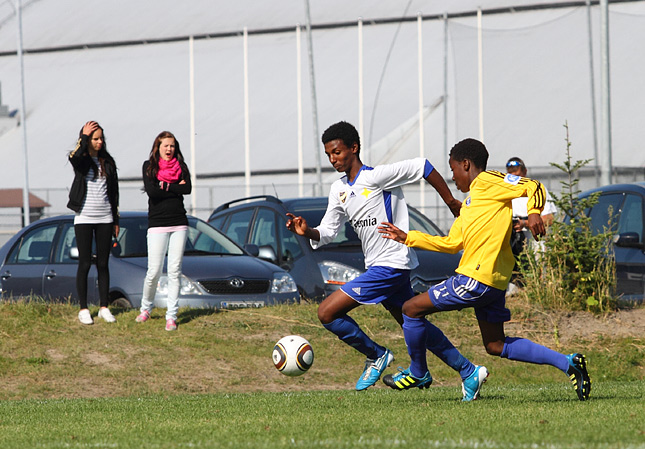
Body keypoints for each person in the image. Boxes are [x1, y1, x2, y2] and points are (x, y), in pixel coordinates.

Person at [286, 121, 489, 400]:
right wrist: (306, 230)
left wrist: (451, 201)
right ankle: (468, 371)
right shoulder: (339, 190)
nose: (333, 159)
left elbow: (424, 166)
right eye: (329, 155)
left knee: (327, 312)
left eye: (337, 152)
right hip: (379, 266)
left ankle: (377, 355)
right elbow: (328, 232)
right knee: (414, 321)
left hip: (392, 264)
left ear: (353, 148)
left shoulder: (377, 176)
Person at [378, 138, 591, 401]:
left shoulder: (489, 181)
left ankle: (419, 371)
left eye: (453, 169)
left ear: (465, 164)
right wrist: (407, 237)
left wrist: (534, 213)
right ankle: (568, 363)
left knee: (410, 309)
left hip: (475, 279)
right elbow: (451, 243)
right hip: (494, 284)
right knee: (495, 345)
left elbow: (533, 186)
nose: (453, 177)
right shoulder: (469, 204)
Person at [135, 131, 192, 331]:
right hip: (158, 224)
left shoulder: (181, 167)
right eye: (166, 146)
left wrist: (165, 185)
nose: (169, 149)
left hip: (179, 223)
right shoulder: (149, 167)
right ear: (157, 148)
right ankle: (145, 308)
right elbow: (152, 192)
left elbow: (187, 189)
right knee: (154, 271)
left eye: (172, 146)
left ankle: (171, 316)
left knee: (175, 271)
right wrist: (174, 186)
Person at [67, 121, 119, 325]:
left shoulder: (108, 162)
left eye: (101, 138)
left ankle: (104, 307)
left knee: (104, 263)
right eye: (95, 139)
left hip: (105, 217)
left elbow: (114, 193)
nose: (99, 142)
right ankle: (83, 308)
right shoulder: (82, 160)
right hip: (84, 218)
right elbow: (74, 158)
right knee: (85, 263)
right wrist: (84, 138)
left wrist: (115, 219)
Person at [506, 157, 557, 256]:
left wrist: (524, 223)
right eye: (510, 174)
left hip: (536, 248)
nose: (514, 177)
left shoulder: (535, 190)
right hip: (512, 248)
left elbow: (549, 219)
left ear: (525, 172)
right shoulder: (504, 193)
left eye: (516, 172)